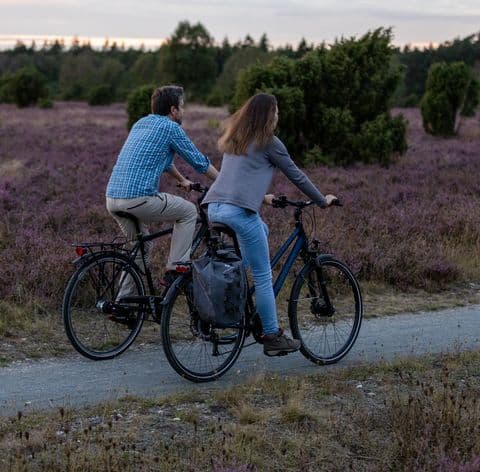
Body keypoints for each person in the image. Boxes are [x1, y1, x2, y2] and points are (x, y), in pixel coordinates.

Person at [202, 93, 337, 356]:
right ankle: (273, 336)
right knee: (264, 276)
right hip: (239, 212)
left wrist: (263, 198)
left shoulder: (235, 138)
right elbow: (296, 174)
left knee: (261, 230)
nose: (277, 116)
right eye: (275, 112)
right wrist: (322, 201)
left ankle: (235, 287)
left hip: (214, 208)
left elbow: (236, 179)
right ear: (268, 115)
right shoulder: (270, 142)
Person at [106, 85, 219, 290]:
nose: (183, 111)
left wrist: (182, 179)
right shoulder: (171, 128)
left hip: (113, 199)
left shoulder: (141, 123)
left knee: (139, 250)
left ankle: (124, 303)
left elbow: (163, 161)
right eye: (182, 107)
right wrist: (223, 182)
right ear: (173, 110)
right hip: (138, 199)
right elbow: (199, 162)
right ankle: (176, 269)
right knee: (188, 211)